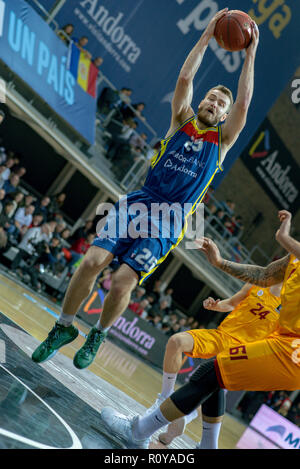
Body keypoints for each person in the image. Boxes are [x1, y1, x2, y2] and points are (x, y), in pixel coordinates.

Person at [32, 9, 259, 371]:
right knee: (92, 261)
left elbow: (244, 105)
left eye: (221, 105)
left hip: (170, 220)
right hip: (140, 201)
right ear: (201, 102)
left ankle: (98, 334)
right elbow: (186, 76)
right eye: (211, 98)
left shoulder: (221, 141)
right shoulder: (181, 119)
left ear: (223, 116)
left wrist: (250, 54)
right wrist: (205, 37)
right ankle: (62, 327)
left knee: (122, 282)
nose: (214, 104)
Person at [99, 209, 300, 448]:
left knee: (208, 374)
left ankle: (139, 431)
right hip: (277, 341)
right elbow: (264, 274)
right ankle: (205, 445)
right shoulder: (291, 262)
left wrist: (284, 232)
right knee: (215, 376)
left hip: (291, 349)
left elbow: (282, 239)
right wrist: (219, 262)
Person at [146, 281, 281, 447]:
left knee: (212, 381)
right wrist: (216, 305)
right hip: (222, 336)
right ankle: (164, 399)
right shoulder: (259, 280)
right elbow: (231, 303)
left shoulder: (291, 305)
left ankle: (186, 421)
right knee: (176, 341)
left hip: (244, 352)